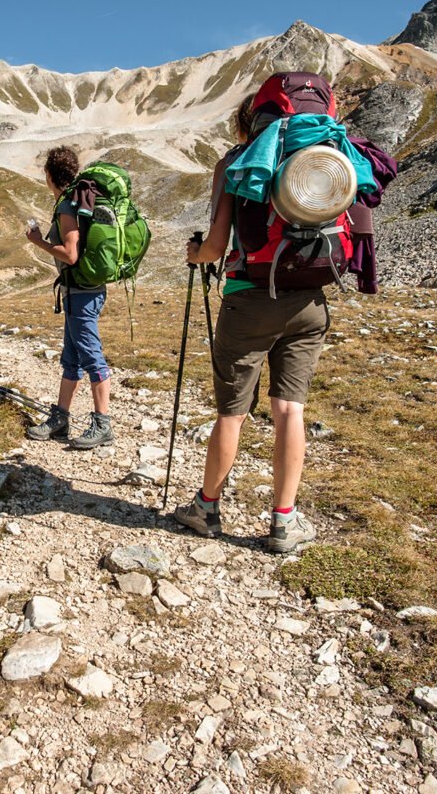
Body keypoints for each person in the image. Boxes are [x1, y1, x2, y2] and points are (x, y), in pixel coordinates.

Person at [173, 90, 322, 553]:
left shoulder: (237, 161)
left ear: (246, 123)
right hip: (310, 299)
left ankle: (207, 508)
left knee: (232, 412)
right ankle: (284, 521)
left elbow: (217, 246)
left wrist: (197, 254)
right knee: (290, 408)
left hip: (250, 297)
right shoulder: (321, 153)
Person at [23, 145, 114, 450]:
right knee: (72, 358)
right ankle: (60, 417)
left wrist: (38, 242)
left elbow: (71, 254)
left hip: (81, 294)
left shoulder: (66, 205)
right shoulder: (78, 199)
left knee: (91, 356)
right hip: (83, 291)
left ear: (49, 175)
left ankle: (103, 424)